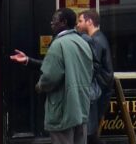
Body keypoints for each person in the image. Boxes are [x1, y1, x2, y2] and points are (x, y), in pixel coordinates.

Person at [10, 8, 94, 144]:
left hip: (62, 110)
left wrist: (40, 86)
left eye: (54, 20)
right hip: (81, 107)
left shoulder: (58, 44)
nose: (51, 23)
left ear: (63, 22)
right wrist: (27, 60)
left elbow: (50, 77)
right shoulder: (83, 43)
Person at [76, 9, 114, 144]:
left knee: (90, 132)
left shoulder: (95, 41)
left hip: (99, 90)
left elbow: (93, 66)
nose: (78, 25)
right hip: (102, 88)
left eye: (80, 21)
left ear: (89, 22)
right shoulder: (99, 37)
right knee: (91, 132)